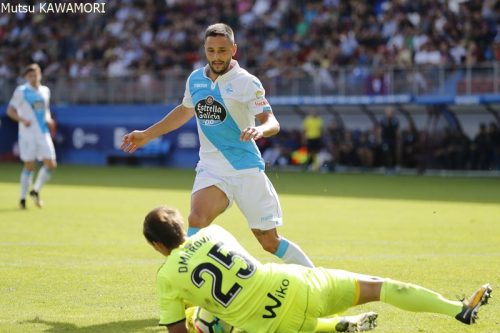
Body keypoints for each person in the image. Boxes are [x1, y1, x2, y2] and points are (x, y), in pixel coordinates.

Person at [121, 23, 313, 268]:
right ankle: (190, 288)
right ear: (204, 49)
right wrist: (147, 135)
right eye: (211, 51)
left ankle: (317, 280)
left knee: (269, 242)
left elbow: (271, 121)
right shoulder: (196, 80)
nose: (216, 56)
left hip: (245, 168)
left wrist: (260, 130)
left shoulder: (247, 82)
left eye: (222, 51)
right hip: (212, 167)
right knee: (196, 220)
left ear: (234, 49)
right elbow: (184, 111)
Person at [144, 205, 492, 333]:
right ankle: (457, 310)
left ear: (157, 246)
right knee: (378, 287)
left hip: (273, 323)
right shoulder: (214, 231)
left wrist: (199, 319)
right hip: (297, 282)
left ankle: (337, 327)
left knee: (267, 322)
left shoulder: (166, 278)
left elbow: (177, 331)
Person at [6, 63, 57, 209]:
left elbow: (44, 110)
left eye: (35, 75)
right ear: (26, 77)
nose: (33, 78)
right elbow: (10, 111)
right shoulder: (21, 91)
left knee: (51, 164)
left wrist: (49, 120)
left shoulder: (45, 91)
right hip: (27, 134)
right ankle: (22, 198)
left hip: (43, 132)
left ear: (40, 75)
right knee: (29, 165)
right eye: (30, 76)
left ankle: (35, 190)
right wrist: (22, 120)